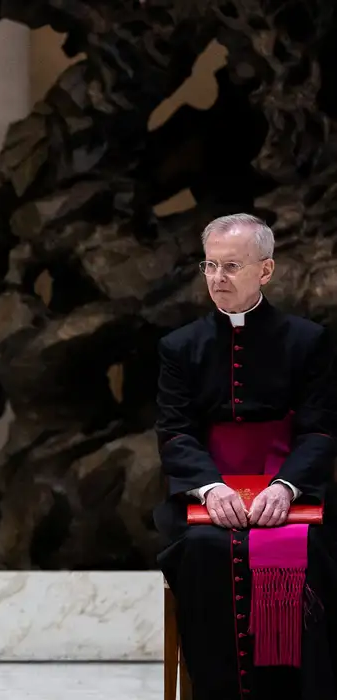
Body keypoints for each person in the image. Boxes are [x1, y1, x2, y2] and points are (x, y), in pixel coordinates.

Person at [155, 213, 337, 699]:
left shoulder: (308, 341)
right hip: (207, 492)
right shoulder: (179, 347)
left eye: (231, 266)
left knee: (310, 551)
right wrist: (211, 488)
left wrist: (286, 487)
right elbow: (175, 432)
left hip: (291, 487)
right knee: (203, 549)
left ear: (266, 270)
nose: (217, 278)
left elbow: (319, 429)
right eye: (209, 265)